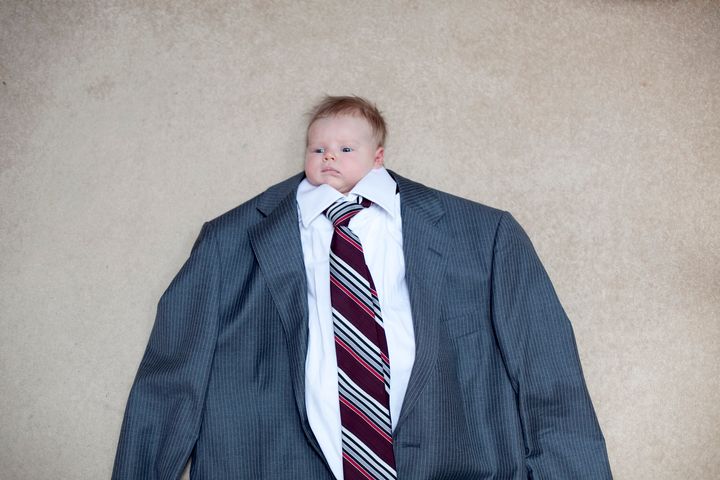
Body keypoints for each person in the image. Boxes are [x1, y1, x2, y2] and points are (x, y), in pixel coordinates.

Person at [112, 96, 613, 479]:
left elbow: (552, 378)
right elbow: (170, 381)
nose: (330, 157)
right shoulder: (230, 241)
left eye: (346, 148)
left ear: (377, 156)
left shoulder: (486, 235)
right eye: (319, 148)